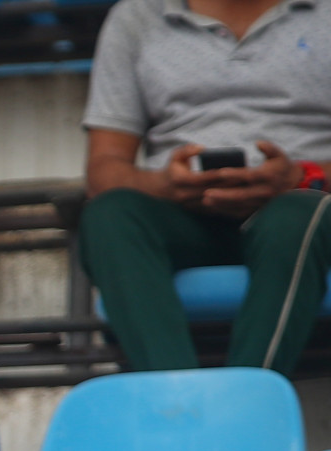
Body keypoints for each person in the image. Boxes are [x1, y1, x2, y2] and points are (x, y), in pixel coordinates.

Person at [79, 0, 331, 373]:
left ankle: (247, 397)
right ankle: (177, 398)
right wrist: (163, 184)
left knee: (298, 213)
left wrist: (298, 177)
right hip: (185, 213)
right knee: (110, 214)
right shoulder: (138, 16)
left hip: (302, 211)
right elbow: (103, 170)